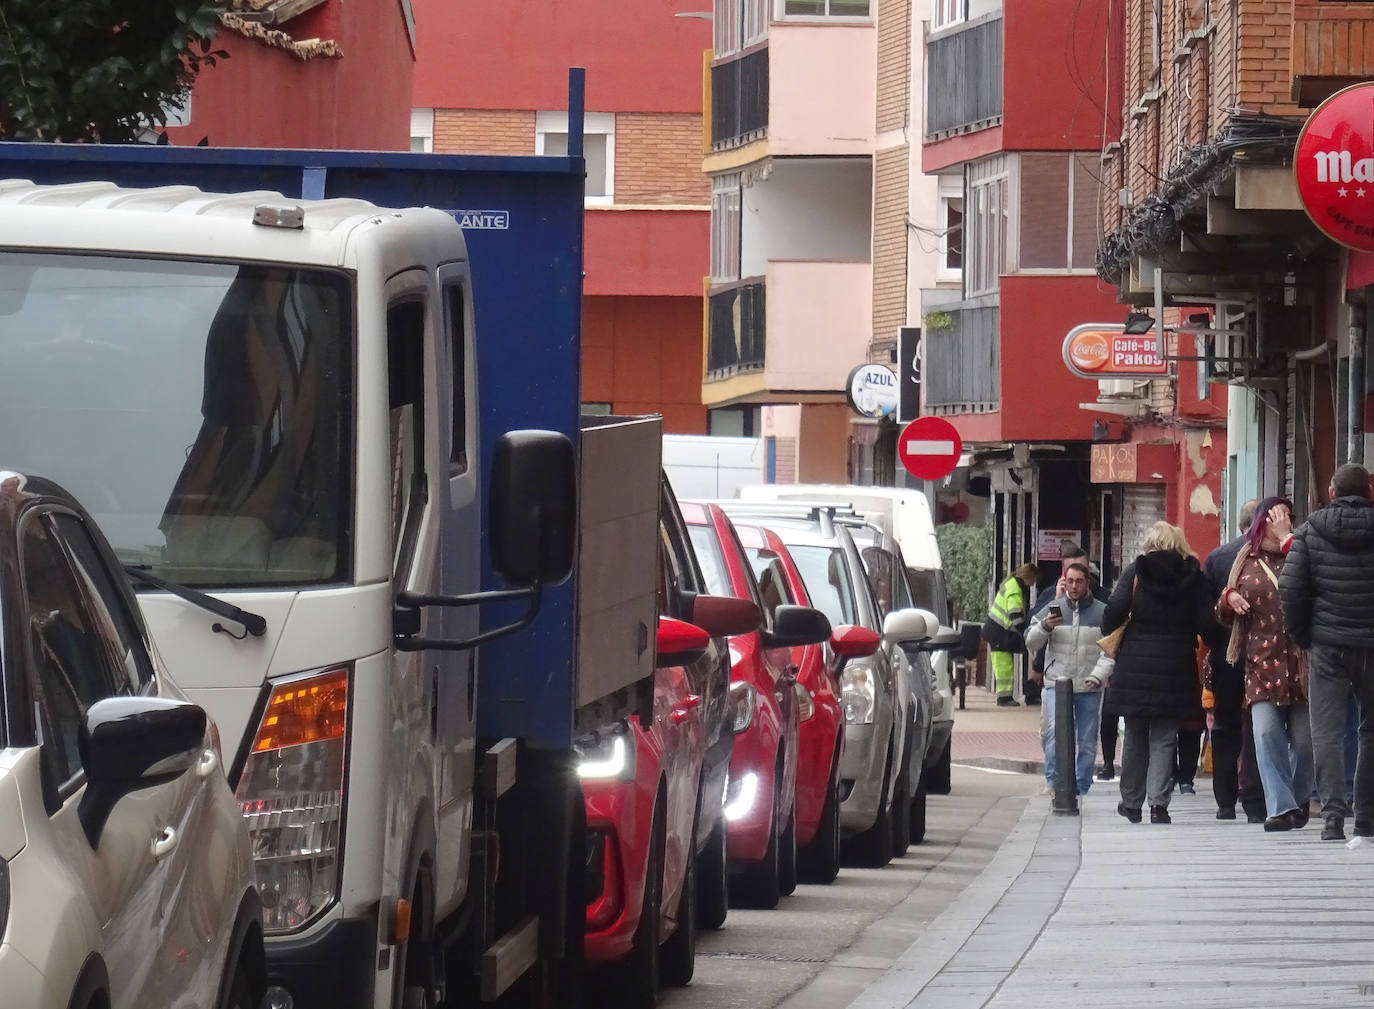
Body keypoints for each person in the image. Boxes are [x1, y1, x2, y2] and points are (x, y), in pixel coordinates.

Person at [1278, 462, 1374, 842]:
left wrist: (1305, 636)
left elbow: (1291, 590)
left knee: (1327, 733)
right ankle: (1366, 819)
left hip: (1328, 645)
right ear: (1369, 492)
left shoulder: (1309, 532)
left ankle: (1332, 818)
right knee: (1371, 732)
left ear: (1332, 493)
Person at [1102, 522, 1218, 825]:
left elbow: (1112, 613)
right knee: (1166, 736)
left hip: (1135, 666)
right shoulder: (1194, 577)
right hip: (1176, 664)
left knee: (1135, 734)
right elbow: (1207, 624)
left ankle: (1131, 802)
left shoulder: (1136, 573)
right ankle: (1158, 805)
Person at [1217, 497, 1313, 832]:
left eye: (1288, 515)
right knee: (1266, 733)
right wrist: (1229, 598)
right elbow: (1221, 610)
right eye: (1276, 515)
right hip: (1261, 664)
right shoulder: (1246, 559)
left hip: (1302, 664)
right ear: (1262, 521)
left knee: (1305, 741)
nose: (1282, 520)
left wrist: (1290, 539)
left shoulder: (1304, 553)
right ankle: (1280, 807)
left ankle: (1299, 800)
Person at [1201, 499, 1267, 822]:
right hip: (1264, 654)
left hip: (1226, 654)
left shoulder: (1217, 557)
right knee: (1259, 721)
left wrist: (1217, 644)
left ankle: (1225, 800)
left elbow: (1205, 613)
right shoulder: (1271, 556)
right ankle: (1255, 798)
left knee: (1225, 724)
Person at [1025, 561, 1110, 796]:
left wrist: (1098, 675)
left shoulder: (1102, 612)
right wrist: (1044, 627)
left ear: (1088, 583)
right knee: (1052, 732)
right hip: (1056, 683)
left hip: (1088, 684)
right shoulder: (1053, 608)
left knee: (1087, 739)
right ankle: (1054, 781)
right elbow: (1030, 642)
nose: (1074, 586)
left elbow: (1112, 649)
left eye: (1079, 581)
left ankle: (1081, 786)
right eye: (1070, 581)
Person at [984, 562, 1039, 708]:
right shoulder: (1015, 589)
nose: (1033, 584)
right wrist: (1024, 630)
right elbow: (1015, 614)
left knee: (1004, 664)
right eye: (1033, 580)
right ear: (1029, 576)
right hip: (1000, 632)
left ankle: (1005, 696)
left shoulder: (1012, 584)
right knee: (1004, 666)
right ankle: (1004, 698)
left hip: (998, 630)